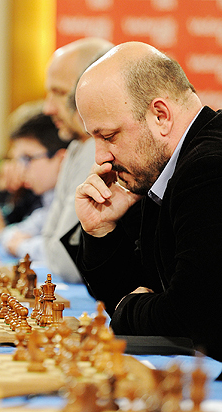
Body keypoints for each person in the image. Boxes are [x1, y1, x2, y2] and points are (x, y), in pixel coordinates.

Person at [69, 41, 222, 362]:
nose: (101, 157)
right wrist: (101, 231)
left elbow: (195, 319)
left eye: (108, 136)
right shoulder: (164, 168)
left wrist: (128, 310)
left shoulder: (208, 169)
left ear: (160, 115)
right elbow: (138, 292)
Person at [38, 37, 114, 283]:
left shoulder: (97, 151)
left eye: (59, 93)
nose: (48, 108)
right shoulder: (76, 148)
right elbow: (50, 244)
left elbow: (65, 262)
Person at [0, 114, 68, 261]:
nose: (21, 168)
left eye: (28, 158)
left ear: (61, 160)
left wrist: (18, 244)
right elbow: (18, 231)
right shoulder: (48, 196)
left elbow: (58, 253)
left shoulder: (74, 196)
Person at [0, 101, 45, 239]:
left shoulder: (41, 188)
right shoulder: (24, 187)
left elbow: (26, 232)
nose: (12, 154)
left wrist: (0, 231)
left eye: (26, 156)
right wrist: (2, 189)